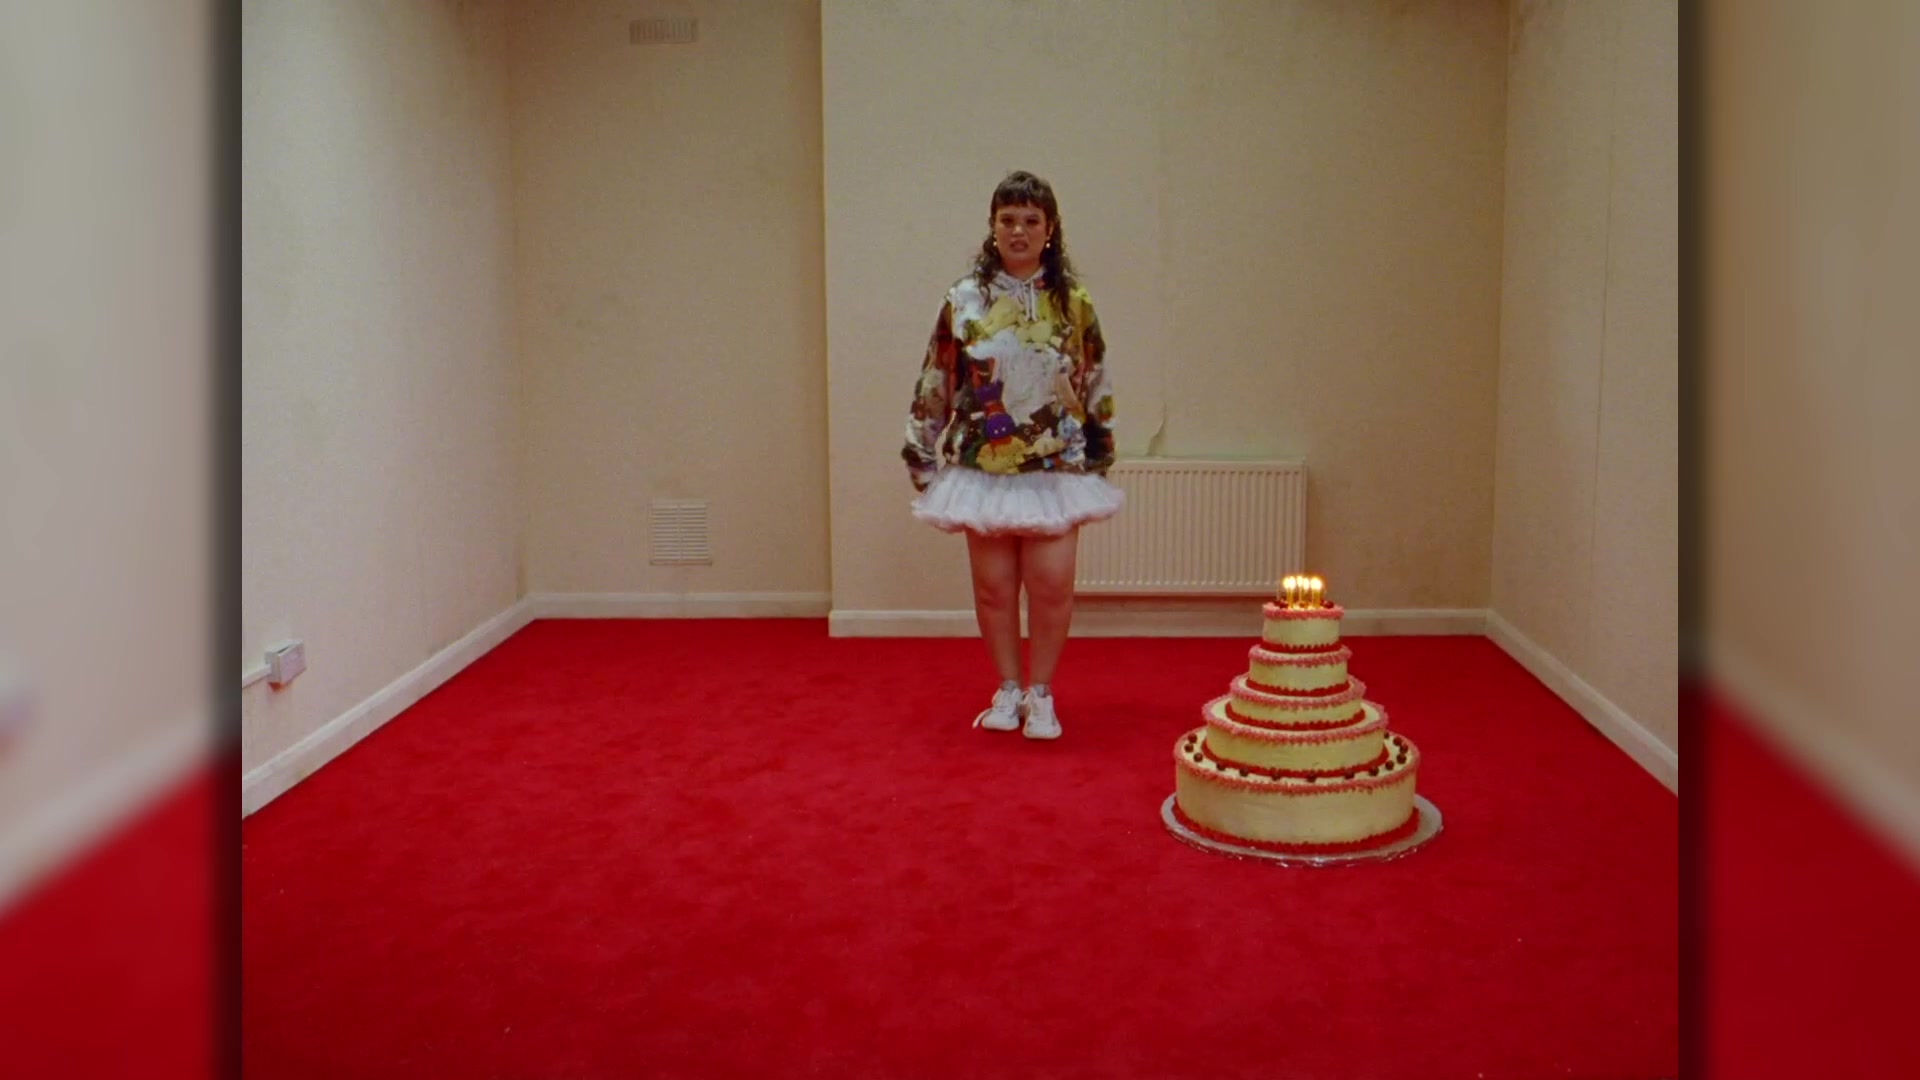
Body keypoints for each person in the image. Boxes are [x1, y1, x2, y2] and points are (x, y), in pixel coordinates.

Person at [901, 170, 1124, 740]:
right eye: (1008, 220)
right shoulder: (963, 300)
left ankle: (1041, 693)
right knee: (994, 589)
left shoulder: (1073, 303)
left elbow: (1095, 377)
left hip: (1055, 463)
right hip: (986, 463)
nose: (1018, 230)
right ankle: (1007, 688)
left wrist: (1100, 447)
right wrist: (921, 450)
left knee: (1051, 585)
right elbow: (938, 375)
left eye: (1030, 220)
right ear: (993, 226)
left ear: (1050, 229)